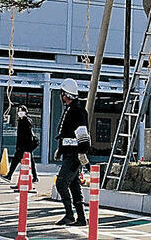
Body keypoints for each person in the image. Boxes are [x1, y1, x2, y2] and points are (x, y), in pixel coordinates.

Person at [54, 78, 90, 227]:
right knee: (74, 186)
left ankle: (69, 214)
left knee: (61, 183)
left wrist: (82, 152)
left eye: (62, 93)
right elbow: (67, 134)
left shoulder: (78, 111)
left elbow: (82, 133)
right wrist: (61, 149)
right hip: (70, 153)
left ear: (66, 94)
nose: (61, 96)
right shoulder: (71, 109)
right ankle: (81, 218)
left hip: (74, 155)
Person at [2, 105, 39, 184]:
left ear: (25, 112)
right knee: (30, 162)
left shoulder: (26, 121)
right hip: (24, 146)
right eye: (19, 111)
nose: (20, 112)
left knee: (16, 160)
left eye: (21, 111)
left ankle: (9, 175)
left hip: (24, 146)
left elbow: (27, 135)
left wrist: (24, 146)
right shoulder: (21, 120)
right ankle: (35, 177)